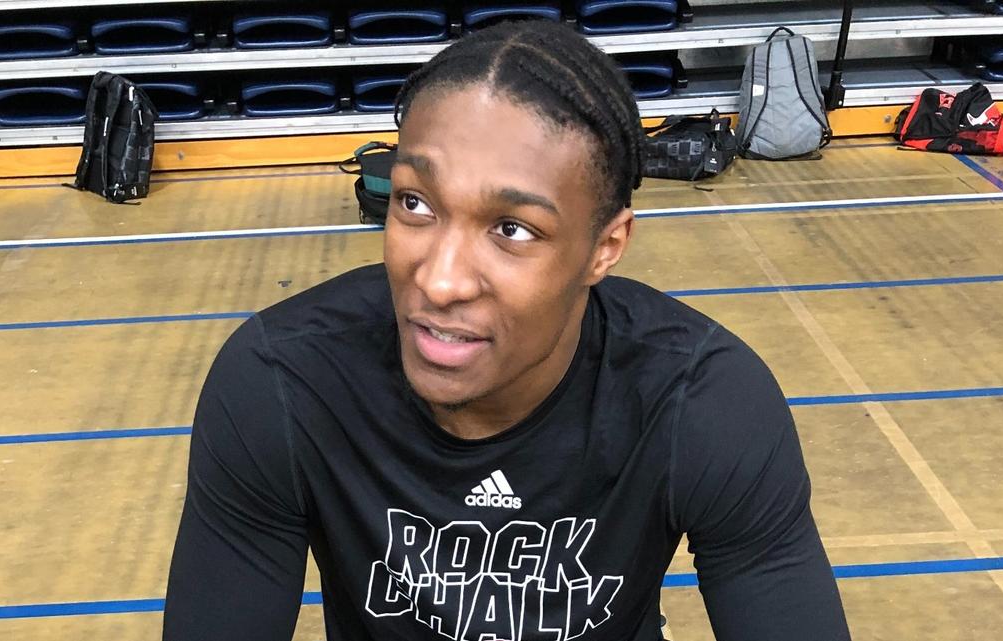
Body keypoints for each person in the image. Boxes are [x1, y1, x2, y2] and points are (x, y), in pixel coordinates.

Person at [163, 20, 851, 641]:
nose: (440, 281)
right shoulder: (282, 384)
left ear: (604, 248)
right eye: (415, 202)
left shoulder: (701, 402)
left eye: (512, 229)